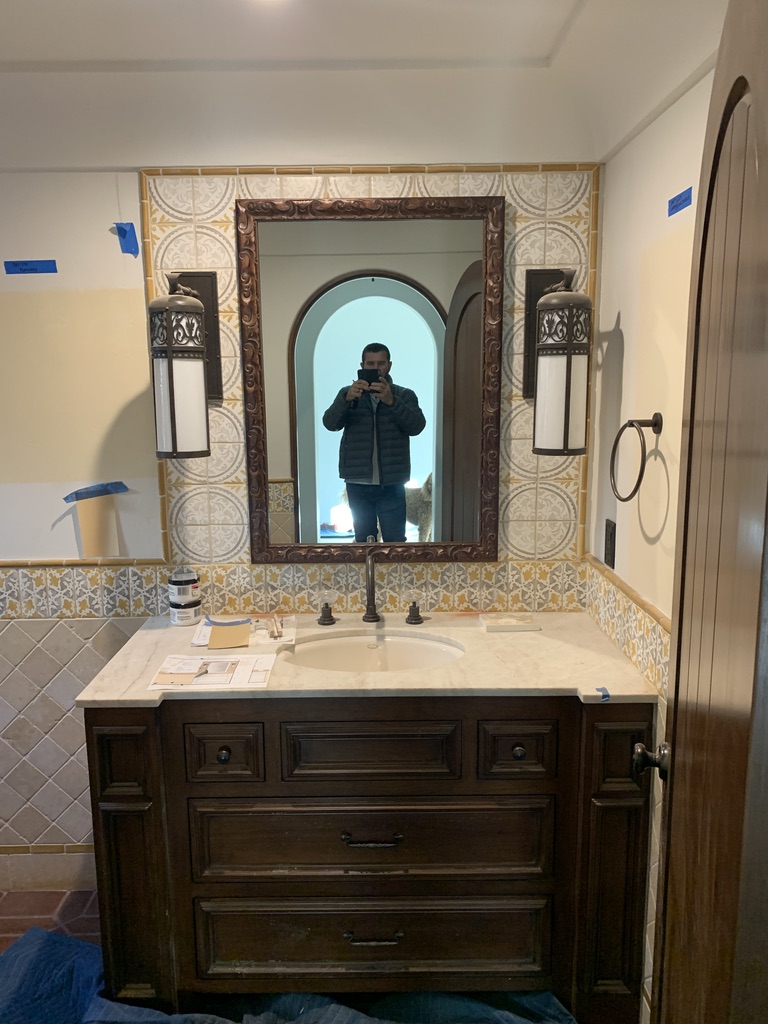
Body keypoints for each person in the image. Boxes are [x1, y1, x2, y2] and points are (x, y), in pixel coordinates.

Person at [322, 343, 426, 542]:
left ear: (389, 365)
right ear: (362, 365)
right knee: (363, 540)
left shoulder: (404, 395)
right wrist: (346, 400)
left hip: (392, 482)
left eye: (381, 363)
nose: (376, 368)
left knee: (395, 541)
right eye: (370, 364)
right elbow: (330, 423)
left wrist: (392, 401)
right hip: (357, 482)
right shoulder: (348, 394)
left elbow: (416, 427)